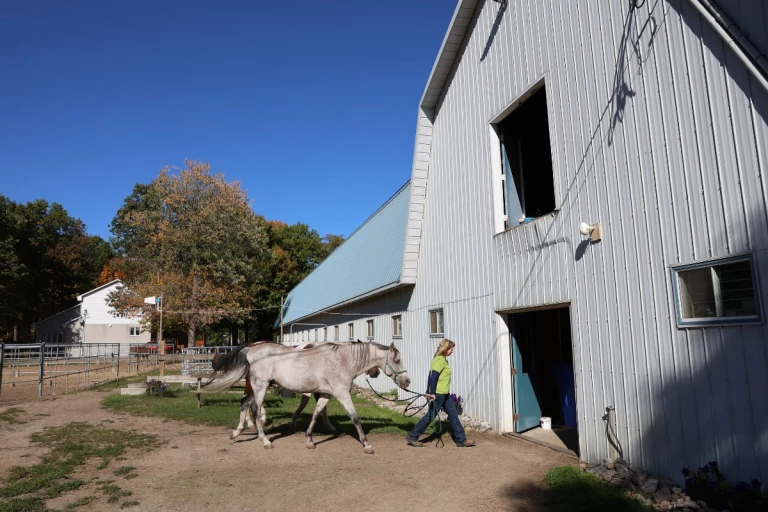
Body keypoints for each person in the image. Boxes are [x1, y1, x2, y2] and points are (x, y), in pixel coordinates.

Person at [406, 339, 475, 448]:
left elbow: (430, 376)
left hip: (445, 394)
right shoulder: (440, 360)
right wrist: (431, 392)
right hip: (439, 394)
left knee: (453, 415)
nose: (452, 352)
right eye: (451, 349)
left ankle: (461, 440)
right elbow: (433, 376)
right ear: (445, 349)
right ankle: (413, 436)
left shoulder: (439, 359)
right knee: (430, 416)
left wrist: (428, 390)